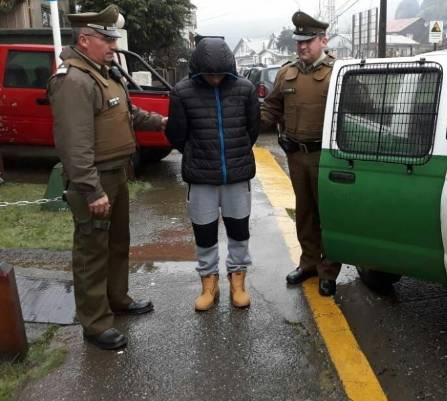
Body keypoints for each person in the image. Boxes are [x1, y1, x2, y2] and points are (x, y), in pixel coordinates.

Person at [48, 5, 166, 350]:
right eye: (106, 38)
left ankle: (117, 299)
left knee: (117, 244)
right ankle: (95, 323)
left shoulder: (103, 74)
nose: (113, 45)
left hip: (116, 174)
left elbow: (127, 114)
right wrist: (90, 189)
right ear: (85, 40)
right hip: (95, 180)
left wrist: (160, 122)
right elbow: (74, 144)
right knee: (92, 252)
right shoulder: (73, 81)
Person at [166, 37, 259, 311]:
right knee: (204, 232)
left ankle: (238, 279)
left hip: (237, 175)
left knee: (239, 231)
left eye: (221, 74)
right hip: (201, 177)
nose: (215, 79)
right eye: (210, 74)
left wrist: (235, 153)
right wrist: (196, 154)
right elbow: (176, 134)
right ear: (198, 70)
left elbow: (253, 129)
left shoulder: (245, 89)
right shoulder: (182, 92)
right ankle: (209, 282)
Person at [261, 11, 341, 296]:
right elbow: (271, 108)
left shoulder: (337, 73)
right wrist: (249, 125)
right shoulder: (287, 73)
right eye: (299, 42)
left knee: (328, 214)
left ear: (323, 40)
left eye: (308, 41)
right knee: (304, 212)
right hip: (296, 156)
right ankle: (308, 263)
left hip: (326, 158)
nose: (302, 46)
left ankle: (328, 270)